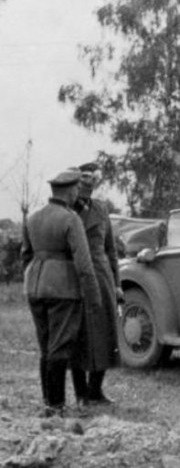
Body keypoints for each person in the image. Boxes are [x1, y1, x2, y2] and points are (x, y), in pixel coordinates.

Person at [21, 168, 101, 417]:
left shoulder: (32, 218)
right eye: (77, 189)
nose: (79, 192)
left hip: (35, 287)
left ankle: (48, 402)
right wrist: (94, 297)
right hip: (63, 289)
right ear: (69, 191)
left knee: (46, 346)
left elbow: (25, 256)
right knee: (60, 346)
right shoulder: (71, 219)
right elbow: (84, 264)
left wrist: (36, 278)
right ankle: (56, 406)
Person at [70, 162, 124, 406]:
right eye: (82, 183)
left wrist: (117, 283)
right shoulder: (68, 211)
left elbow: (111, 250)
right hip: (77, 276)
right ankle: (81, 393)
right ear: (74, 184)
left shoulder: (101, 209)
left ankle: (95, 390)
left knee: (105, 333)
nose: (86, 188)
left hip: (102, 277)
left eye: (91, 184)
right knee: (79, 335)